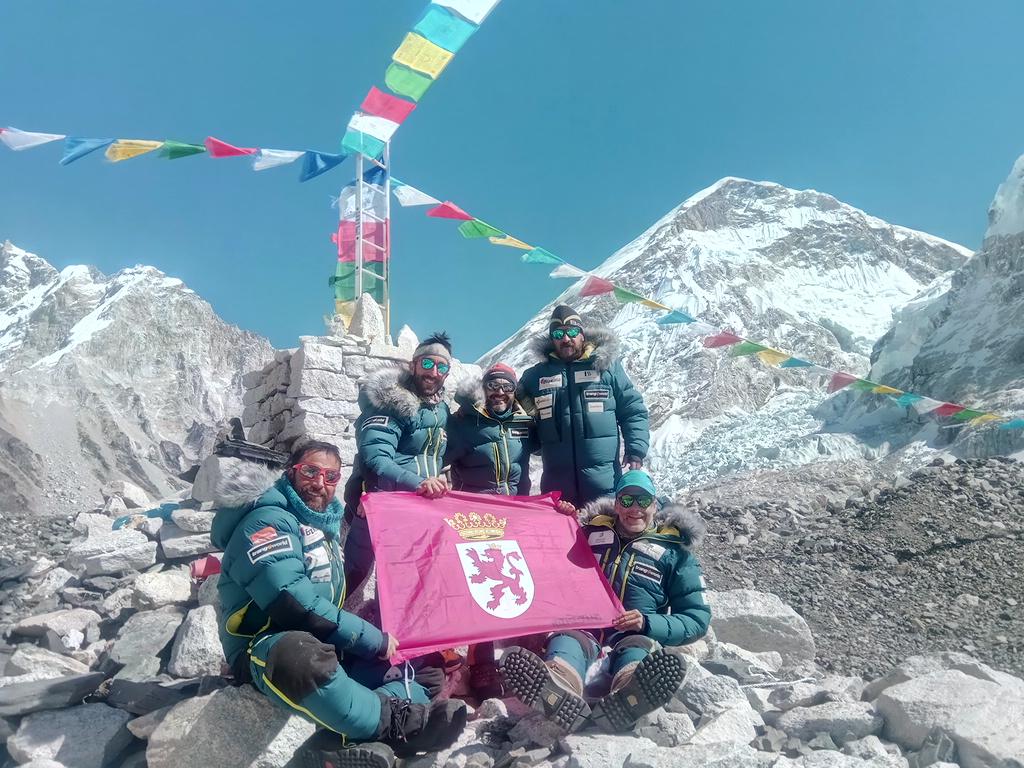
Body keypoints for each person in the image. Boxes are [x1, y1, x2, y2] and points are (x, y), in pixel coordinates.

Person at [212, 441, 465, 768]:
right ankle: (400, 724)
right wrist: (372, 640)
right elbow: (291, 602)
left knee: (426, 668)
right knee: (300, 655)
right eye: (311, 471)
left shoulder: (319, 523)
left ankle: (333, 746)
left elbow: (340, 585)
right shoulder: (266, 521)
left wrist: (363, 522)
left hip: (318, 637)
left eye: (331, 477)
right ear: (291, 472)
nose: (320, 483)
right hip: (264, 648)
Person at [499, 470, 710, 733]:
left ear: (655, 505)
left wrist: (648, 623)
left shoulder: (674, 553)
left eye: (643, 501)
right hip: (584, 629)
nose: (635, 509)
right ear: (616, 503)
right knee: (566, 642)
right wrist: (560, 518)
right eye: (627, 500)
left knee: (636, 654)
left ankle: (629, 696)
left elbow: (696, 618)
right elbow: (544, 551)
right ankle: (559, 690)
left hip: (634, 635)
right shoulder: (587, 534)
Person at [342, 332, 454, 591]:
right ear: (413, 364)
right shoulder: (392, 402)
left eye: (441, 366)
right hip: (382, 505)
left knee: (410, 585)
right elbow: (376, 458)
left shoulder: (441, 410)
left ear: (447, 373)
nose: (433, 372)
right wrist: (420, 483)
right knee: (353, 581)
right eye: (427, 363)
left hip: (421, 509)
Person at [518, 305, 650, 508]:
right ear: (551, 339)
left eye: (571, 332)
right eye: (558, 333)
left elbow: (632, 409)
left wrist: (636, 449)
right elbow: (510, 405)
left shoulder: (606, 368)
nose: (566, 339)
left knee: (604, 536)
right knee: (564, 540)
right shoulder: (535, 377)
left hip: (604, 486)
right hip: (557, 491)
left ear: (582, 334)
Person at [446, 363, 536, 496]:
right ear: (483, 389)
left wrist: (535, 415)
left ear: (514, 392)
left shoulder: (524, 422)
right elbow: (435, 459)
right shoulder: (463, 422)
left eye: (508, 387)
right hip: (475, 508)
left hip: (516, 506)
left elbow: (545, 447)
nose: (500, 392)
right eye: (492, 385)